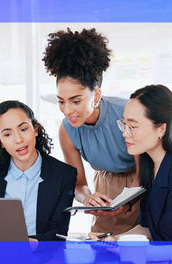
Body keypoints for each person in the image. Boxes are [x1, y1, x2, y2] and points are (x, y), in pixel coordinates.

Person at [42, 28, 139, 234]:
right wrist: (88, 198)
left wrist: (126, 202)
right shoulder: (67, 130)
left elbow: (144, 170)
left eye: (76, 101)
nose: (68, 111)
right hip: (104, 188)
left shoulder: (128, 112)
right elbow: (79, 184)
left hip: (139, 185)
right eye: (61, 101)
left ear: (96, 96)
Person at [0, 100, 77, 241]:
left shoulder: (64, 174)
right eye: (7, 134)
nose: (18, 139)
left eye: (23, 129)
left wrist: (33, 244)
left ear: (35, 129)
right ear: (0, 142)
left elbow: (59, 232)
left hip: (43, 257)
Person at [90, 84, 172, 241]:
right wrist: (114, 241)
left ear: (161, 129)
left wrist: (126, 249)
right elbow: (148, 228)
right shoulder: (149, 167)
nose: (125, 133)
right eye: (124, 124)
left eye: (133, 126)